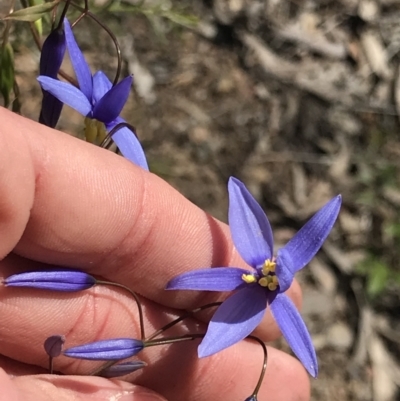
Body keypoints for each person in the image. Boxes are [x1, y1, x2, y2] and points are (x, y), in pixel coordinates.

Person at [0, 106, 309, 401]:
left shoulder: (273, 299)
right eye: (271, 271)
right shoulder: (253, 272)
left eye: (273, 276)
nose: (269, 273)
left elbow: (209, 329)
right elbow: (189, 282)